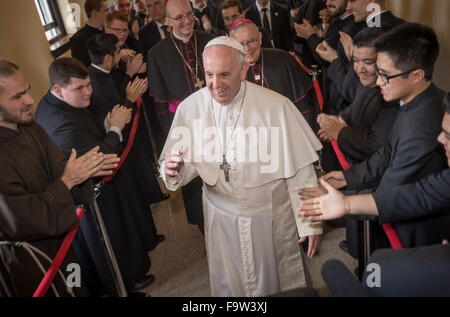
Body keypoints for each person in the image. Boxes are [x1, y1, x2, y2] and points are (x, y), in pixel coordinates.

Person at [160, 36, 323, 297]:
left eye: (224, 74)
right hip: (220, 216)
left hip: (270, 215)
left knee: (279, 285)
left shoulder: (276, 107)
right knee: (230, 286)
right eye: (210, 74)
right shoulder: (190, 109)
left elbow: (302, 172)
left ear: (244, 70)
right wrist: (174, 171)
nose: (216, 84)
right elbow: (179, 163)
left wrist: (310, 222)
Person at [309, 23, 447, 249]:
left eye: (385, 75)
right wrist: (347, 178)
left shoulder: (422, 125)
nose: (379, 81)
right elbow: (386, 153)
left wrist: (344, 202)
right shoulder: (415, 98)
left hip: (420, 229)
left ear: (417, 75)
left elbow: (390, 192)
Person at [34, 57, 161, 295]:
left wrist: (105, 123)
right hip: (85, 199)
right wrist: (114, 128)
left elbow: (91, 123)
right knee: (104, 249)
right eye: (79, 88)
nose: (88, 92)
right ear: (58, 89)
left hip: (93, 192)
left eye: (89, 84)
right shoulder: (60, 123)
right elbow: (101, 158)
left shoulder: (64, 101)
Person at [0, 60, 117, 297]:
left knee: (77, 286)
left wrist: (81, 173)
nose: (30, 100)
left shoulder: (29, 127)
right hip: (33, 263)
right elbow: (23, 218)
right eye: (17, 97)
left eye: (28, 91)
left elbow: (64, 168)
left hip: (65, 246)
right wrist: (68, 182)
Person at [317, 27, 399, 165]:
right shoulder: (367, 81)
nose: (359, 69)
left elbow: (377, 146)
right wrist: (341, 119)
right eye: (355, 60)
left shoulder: (392, 96)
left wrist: (339, 132)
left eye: (368, 62)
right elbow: (357, 104)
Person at [229, 19, 317, 130]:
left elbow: (305, 107)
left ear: (260, 38)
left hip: (288, 131)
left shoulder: (283, 60)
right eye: (241, 44)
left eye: (251, 41)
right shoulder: (229, 72)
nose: (247, 48)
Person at [70, 0, 109, 67]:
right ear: (94, 13)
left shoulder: (110, 30)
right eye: (106, 10)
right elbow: (83, 67)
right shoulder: (78, 39)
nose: (109, 13)